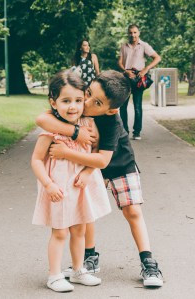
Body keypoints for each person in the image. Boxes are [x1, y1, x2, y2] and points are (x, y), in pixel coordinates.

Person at [36, 70, 163, 288]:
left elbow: (102, 161)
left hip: (118, 164)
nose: (85, 102)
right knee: (87, 213)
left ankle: (148, 262)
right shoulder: (74, 109)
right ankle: (89, 258)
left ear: (111, 109)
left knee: (132, 211)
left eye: (95, 102)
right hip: (86, 165)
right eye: (87, 93)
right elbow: (41, 119)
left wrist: (67, 153)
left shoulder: (112, 122)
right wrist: (76, 133)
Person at [31, 70, 111, 293]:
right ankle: (54, 275)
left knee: (80, 230)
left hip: (81, 187)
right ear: (53, 103)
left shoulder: (88, 124)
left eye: (77, 100)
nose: (73, 106)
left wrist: (86, 173)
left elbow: (95, 152)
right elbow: (36, 160)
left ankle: (78, 270)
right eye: (66, 101)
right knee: (60, 232)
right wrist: (48, 184)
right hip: (59, 189)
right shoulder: (51, 131)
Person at [118, 24, 161, 139]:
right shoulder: (123, 46)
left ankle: (137, 132)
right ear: (128, 33)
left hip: (138, 79)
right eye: (130, 33)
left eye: (135, 32)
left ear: (138, 33)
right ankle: (124, 132)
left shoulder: (144, 46)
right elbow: (120, 62)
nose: (133, 35)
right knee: (123, 106)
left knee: (137, 106)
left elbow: (157, 58)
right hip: (126, 78)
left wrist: (146, 69)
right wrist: (124, 70)